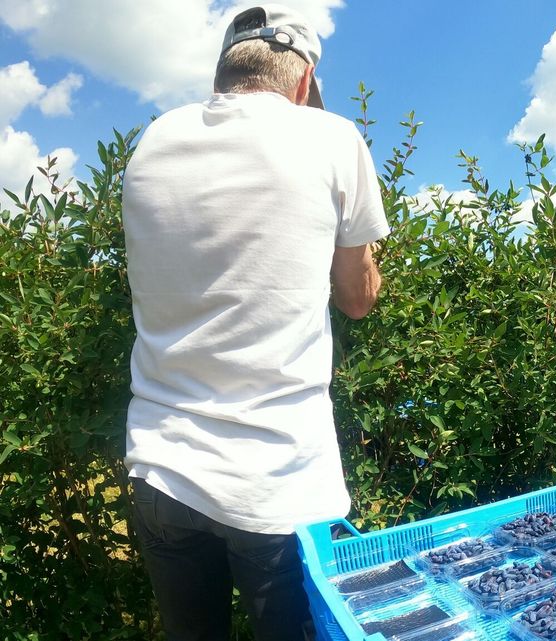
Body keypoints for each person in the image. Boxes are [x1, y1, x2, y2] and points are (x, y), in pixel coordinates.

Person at [121, 5, 389, 639]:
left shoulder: (154, 141)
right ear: (304, 82)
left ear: (222, 75)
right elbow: (357, 298)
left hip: (159, 468)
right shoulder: (331, 137)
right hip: (276, 483)